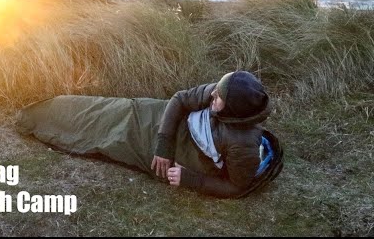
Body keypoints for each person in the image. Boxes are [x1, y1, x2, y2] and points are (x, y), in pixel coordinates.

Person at [15, 70, 283, 198]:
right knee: (120, 111)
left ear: (234, 109)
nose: (213, 94)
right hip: (164, 121)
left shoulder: (242, 144)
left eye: (219, 98)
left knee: (115, 138)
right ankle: (45, 112)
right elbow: (179, 99)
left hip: (190, 155)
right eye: (216, 91)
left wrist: (191, 179)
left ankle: (40, 122)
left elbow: (238, 186)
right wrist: (163, 145)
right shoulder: (224, 89)